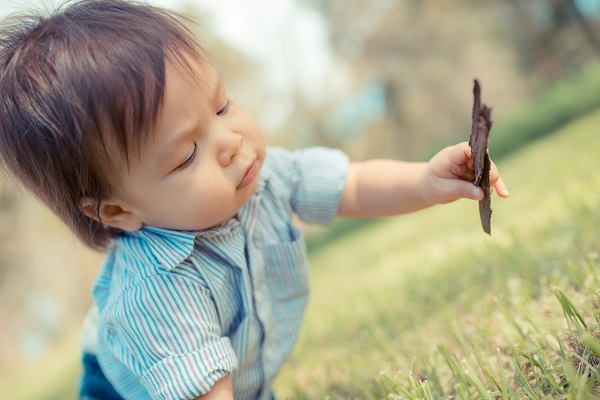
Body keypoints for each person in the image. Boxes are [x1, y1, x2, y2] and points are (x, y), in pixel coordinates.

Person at [0, 0, 509, 399]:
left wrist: (424, 182)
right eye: (185, 156)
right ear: (117, 211)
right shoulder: (156, 295)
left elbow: (348, 185)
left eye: (222, 106)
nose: (229, 143)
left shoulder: (263, 177)